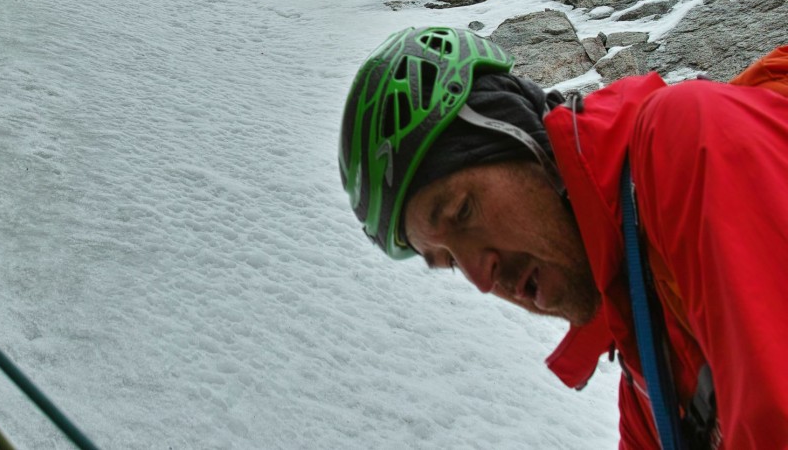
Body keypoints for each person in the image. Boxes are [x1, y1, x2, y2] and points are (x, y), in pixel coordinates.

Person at [338, 26, 788, 449]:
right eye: (449, 261)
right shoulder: (648, 373)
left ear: (523, 140)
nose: (479, 276)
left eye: (462, 211)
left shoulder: (688, 141)